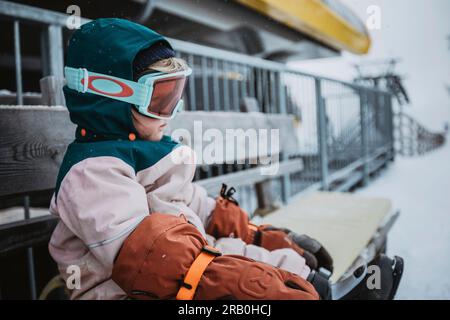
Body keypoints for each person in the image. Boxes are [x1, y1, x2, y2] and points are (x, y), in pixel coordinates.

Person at [49, 18, 333, 300]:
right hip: (129, 290)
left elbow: (200, 207)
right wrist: (249, 284)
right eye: (161, 99)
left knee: (275, 268)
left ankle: (312, 284)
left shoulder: (150, 150)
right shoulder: (93, 173)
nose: (171, 113)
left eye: (176, 93)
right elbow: (151, 257)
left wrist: (259, 238)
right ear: (110, 96)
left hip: (182, 272)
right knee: (248, 283)